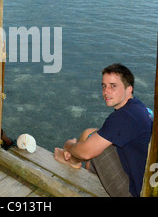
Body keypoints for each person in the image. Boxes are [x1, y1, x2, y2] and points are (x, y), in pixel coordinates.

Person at [54, 63, 153, 197]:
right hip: (147, 182)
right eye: (104, 86)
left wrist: (68, 145)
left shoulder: (123, 117)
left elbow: (86, 153)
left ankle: (70, 159)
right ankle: (73, 161)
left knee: (93, 146)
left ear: (129, 89)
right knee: (91, 134)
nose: (106, 92)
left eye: (113, 86)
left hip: (135, 192)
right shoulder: (138, 108)